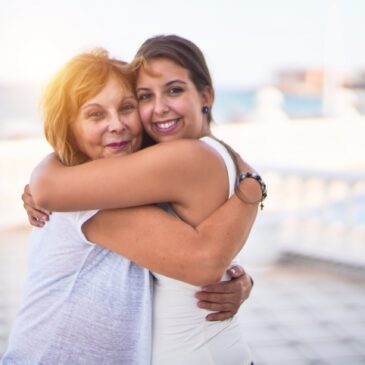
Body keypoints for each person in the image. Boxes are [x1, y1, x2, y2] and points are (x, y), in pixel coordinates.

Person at [16, 36, 266, 364]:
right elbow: (200, 260)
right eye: (145, 96)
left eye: (127, 107)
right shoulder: (99, 189)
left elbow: (201, 261)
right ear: (70, 127)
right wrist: (252, 186)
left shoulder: (172, 161)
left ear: (205, 96)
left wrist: (250, 195)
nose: (117, 125)